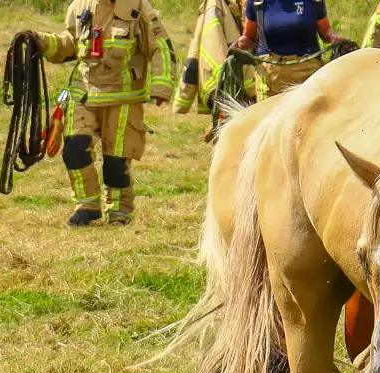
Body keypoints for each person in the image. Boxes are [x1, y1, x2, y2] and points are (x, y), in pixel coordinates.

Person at [33, 0, 177, 227]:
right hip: (84, 94)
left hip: (124, 98)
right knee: (74, 149)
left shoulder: (139, 7)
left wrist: (162, 86)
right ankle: (87, 207)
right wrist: (40, 41)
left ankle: (120, 212)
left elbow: (160, 46)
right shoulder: (79, 6)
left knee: (116, 161)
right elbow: (69, 43)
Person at [231, 0, 349, 100]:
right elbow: (249, 36)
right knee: (270, 124)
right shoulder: (257, 2)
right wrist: (240, 44)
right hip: (270, 79)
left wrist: (335, 38)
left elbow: (325, 32)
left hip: (308, 74)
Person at [174, 0, 255, 115]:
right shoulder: (215, 6)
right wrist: (223, 92)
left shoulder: (237, 5)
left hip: (244, 87)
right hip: (228, 90)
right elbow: (214, 48)